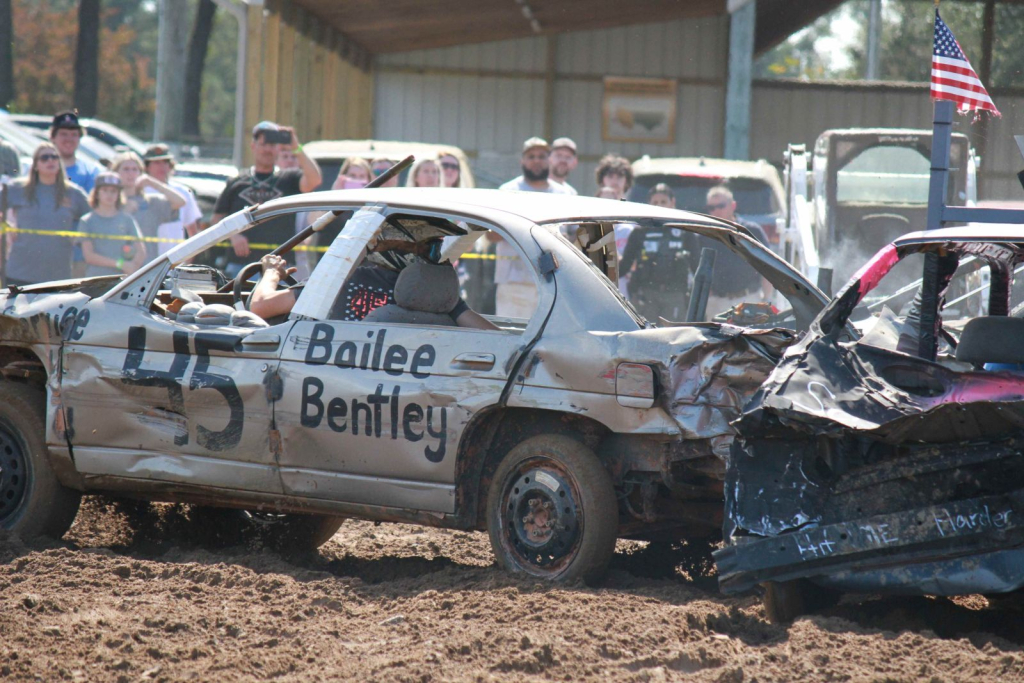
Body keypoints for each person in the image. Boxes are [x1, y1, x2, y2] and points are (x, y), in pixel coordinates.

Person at [249, 243, 495, 331]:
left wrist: (271, 272)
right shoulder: (435, 298)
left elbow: (261, 307)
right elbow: (490, 335)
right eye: (431, 247)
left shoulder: (339, 282)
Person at [212, 121, 322, 276]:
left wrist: (296, 146)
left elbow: (314, 180)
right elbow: (217, 218)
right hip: (240, 266)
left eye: (272, 144)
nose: (267, 149)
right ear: (253, 146)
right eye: (263, 144)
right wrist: (233, 236)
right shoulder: (237, 182)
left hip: (279, 267)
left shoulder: (288, 178)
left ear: (278, 148)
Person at [495, 137, 571, 318]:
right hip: (513, 283)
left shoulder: (564, 194)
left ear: (550, 160)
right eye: (531, 156)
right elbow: (491, 236)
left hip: (552, 282)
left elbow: (570, 237)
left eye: (542, 156)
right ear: (522, 160)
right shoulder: (507, 191)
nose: (536, 161)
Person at [2, 143, 90, 286]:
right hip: (19, 271)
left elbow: (92, 219)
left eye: (54, 157)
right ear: (35, 165)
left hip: (58, 274)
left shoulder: (74, 193)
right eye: (45, 157)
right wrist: (5, 224)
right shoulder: (17, 188)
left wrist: (78, 234)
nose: (51, 160)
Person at [620, 184, 692, 322]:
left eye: (663, 202)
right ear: (649, 204)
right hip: (646, 295)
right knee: (647, 336)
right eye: (655, 202)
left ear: (673, 202)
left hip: (675, 295)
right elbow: (625, 266)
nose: (659, 205)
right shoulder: (640, 231)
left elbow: (696, 264)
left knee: (674, 337)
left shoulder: (685, 231)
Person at [700, 185, 773, 318]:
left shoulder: (751, 231)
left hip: (748, 299)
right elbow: (695, 269)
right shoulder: (704, 235)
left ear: (733, 205)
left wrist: (767, 299)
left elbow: (767, 266)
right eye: (711, 208)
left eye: (721, 206)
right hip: (716, 302)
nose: (716, 211)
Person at [113, 151, 185, 263]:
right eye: (126, 169)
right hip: (117, 266)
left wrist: (152, 182)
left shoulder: (151, 202)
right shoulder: (109, 201)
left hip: (146, 270)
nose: (130, 173)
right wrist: (124, 212)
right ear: (116, 172)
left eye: (135, 169)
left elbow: (180, 202)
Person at [79, 172, 147, 277]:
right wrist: (120, 264)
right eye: (105, 190)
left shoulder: (127, 219)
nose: (109, 195)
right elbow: (89, 256)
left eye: (113, 191)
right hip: (96, 279)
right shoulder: (87, 220)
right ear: (97, 193)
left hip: (122, 281)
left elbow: (140, 251)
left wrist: (133, 267)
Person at [142, 144, 202, 256]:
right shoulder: (139, 190)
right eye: (156, 163)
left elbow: (192, 231)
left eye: (165, 162)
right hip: (145, 260)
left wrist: (188, 260)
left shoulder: (183, 191)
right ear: (146, 166)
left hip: (175, 260)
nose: (162, 166)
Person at [594, 154, 636, 295]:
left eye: (619, 177)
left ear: (627, 181)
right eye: (610, 176)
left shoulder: (636, 214)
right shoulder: (590, 213)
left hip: (627, 288)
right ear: (602, 180)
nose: (615, 181)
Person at [49, 110, 99, 193]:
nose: (69, 139)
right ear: (53, 137)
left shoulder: (90, 172)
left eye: (74, 135)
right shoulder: (41, 169)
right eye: (64, 134)